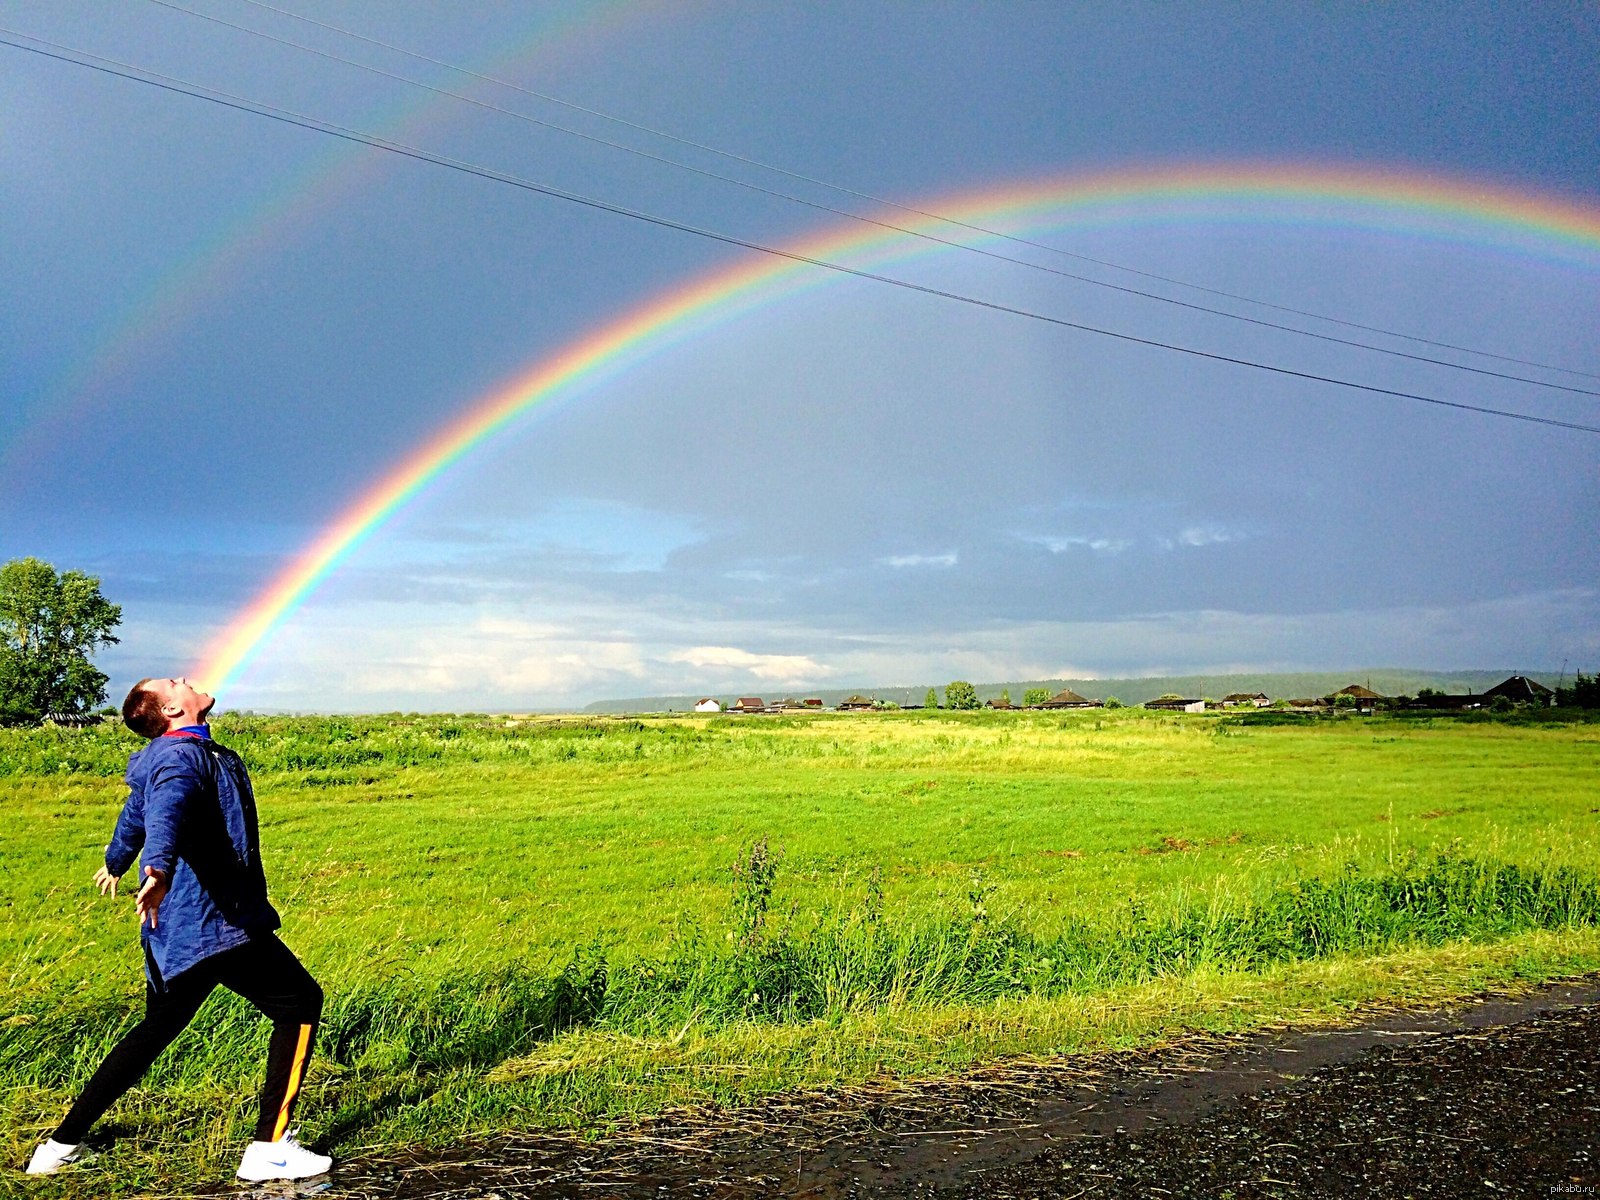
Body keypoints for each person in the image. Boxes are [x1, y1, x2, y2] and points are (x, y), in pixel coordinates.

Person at [26, 677, 330, 1182]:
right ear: (169, 708)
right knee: (299, 1002)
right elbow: (164, 811)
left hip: (178, 930)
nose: (188, 679)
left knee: (156, 1030)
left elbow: (135, 816)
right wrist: (157, 869)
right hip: (216, 923)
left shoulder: (171, 754)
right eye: (175, 682)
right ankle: (270, 1149)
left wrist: (116, 861)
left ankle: (58, 1147)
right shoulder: (180, 759)